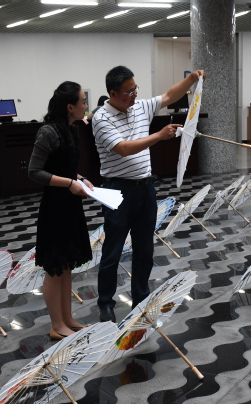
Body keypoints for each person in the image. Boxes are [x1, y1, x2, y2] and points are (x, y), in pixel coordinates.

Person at [92, 66, 205, 323]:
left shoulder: (140, 107)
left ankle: (140, 299)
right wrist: (158, 136)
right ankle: (106, 304)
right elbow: (122, 148)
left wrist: (191, 79)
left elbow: (168, 96)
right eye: (128, 92)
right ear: (113, 93)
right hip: (117, 191)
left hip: (145, 189)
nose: (134, 95)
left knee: (144, 249)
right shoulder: (101, 118)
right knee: (113, 250)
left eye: (135, 89)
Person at [27, 81, 95, 339]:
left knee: (66, 266)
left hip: (70, 205)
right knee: (55, 268)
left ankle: (67, 319)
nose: (85, 106)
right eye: (83, 101)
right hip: (55, 208)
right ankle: (56, 326)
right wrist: (69, 183)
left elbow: (63, 168)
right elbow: (35, 171)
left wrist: (80, 178)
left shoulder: (71, 129)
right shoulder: (48, 132)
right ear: (70, 106)